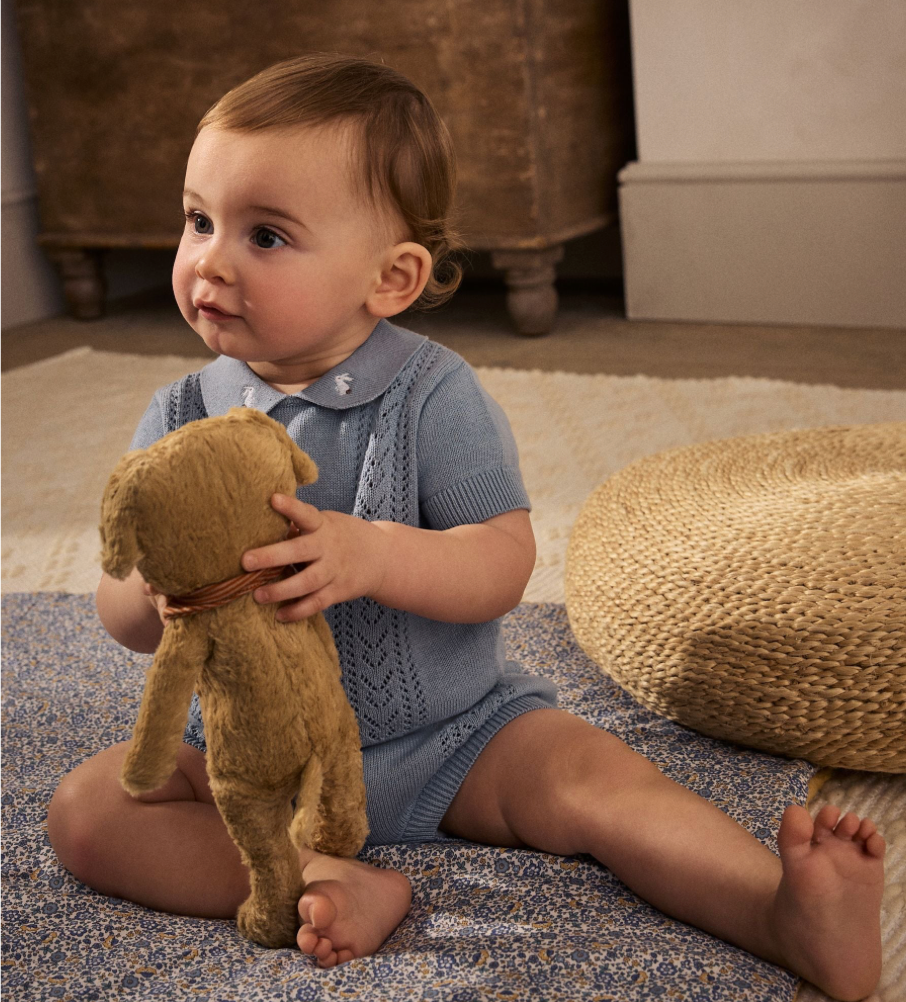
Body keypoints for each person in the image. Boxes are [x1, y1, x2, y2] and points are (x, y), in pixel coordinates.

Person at [47, 54, 884, 1001]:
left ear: (391, 277)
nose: (210, 259)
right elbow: (119, 605)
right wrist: (154, 594)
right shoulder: (179, 416)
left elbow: (503, 561)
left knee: (597, 777)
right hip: (252, 765)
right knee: (88, 809)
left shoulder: (431, 395)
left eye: (267, 235)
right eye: (199, 220)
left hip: (453, 737)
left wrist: (373, 552)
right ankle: (315, 877)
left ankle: (780, 910)